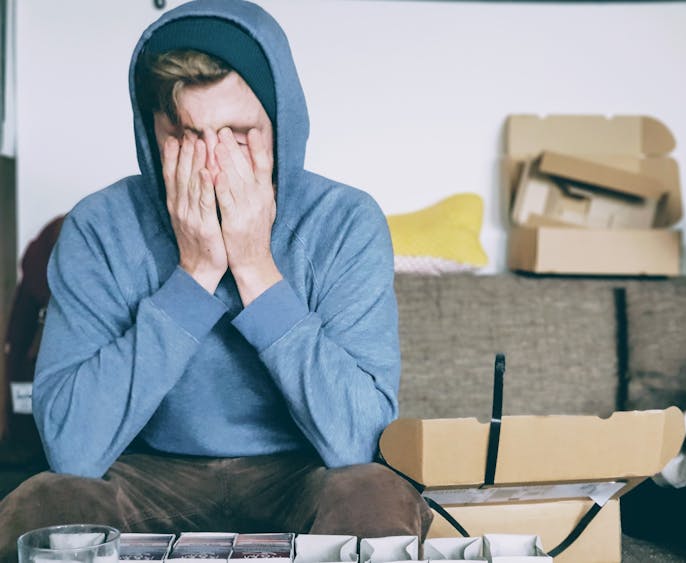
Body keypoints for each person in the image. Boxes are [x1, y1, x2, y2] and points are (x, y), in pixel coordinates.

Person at [0, 0, 431, 558]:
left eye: (238, 133)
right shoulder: (99, 226)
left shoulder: (345, 221)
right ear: (150, 132)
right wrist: (195, 273)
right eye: (184, 134)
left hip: (301, 473)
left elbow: (358, 443)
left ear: (282, 123)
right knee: (44, 505)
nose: (210, 165)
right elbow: (73, 451)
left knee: (374, 494)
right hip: (146, 473)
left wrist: (255, 268)